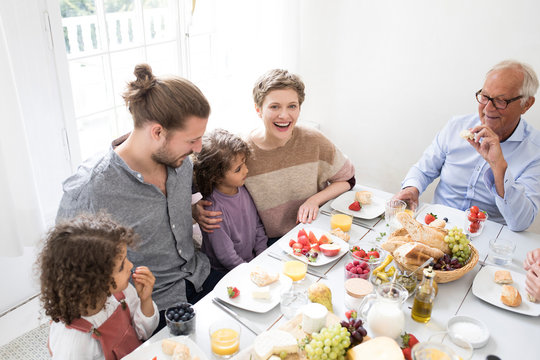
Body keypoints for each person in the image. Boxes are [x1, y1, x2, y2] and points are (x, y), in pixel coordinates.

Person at [56, 63, 216, 332]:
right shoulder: (92, 187)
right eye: (192, 140)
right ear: (157, 132)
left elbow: (159, 214)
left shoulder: (179, 162)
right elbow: (62, 268)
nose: (198, 148)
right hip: (148, 308)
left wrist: (190, 212)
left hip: (199, 276)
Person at [395, 60, 540, 231]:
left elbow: (520, 223)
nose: (487, 108)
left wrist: (498, 166)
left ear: (527, 104)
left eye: (501, 101)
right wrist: (412, 189)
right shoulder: (456, 126)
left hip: (487, 239)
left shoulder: (534, 151)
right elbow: (423, 169)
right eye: (485, 97)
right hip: (436, 227)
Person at [41, 213, 159, 360]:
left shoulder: (121, 293)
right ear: (95, 281)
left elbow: (142, 334)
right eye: (122, 265)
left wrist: (145, 300)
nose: (131, 265)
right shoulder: (73, 344)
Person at [193, 129, 267, 278]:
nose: (246, 170)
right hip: (224, 273)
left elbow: (258, 225)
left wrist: (262, 256)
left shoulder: (244, 189)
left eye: (244, 163)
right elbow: (226, 256)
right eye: (238, 169)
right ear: (216, 177)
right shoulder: (213, 209)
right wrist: (251, 272)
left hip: (250, 263)